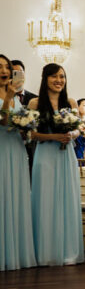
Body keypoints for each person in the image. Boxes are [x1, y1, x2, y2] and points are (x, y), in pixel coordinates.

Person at [28, 63, 84, 266]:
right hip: (45, 155)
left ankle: (67, 250)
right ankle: (46, 252)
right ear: (45, 79)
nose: (59, 80)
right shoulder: (35, 103)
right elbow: (30, 133)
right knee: (46, 199)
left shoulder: (70, 102)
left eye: (62, 76)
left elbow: (79, 129)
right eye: (54, 76)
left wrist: (71, 134)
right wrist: (54, 136)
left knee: (66, 198)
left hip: (66, 155)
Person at [0, 54, 36, 270]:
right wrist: (8, 98)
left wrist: (27, 129)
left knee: (15, 197)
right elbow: (3, 120)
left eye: (6, 67)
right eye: (0, 67)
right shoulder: (10, 97)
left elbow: (20, 123)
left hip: (16, 149)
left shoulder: (16, 98)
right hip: (2, 149)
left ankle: (16, 253)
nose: (4, 71)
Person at [11, 59, 37, 170]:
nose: (18, 76)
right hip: (10, 144)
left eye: (20, 73)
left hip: (32, 149)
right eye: (14, 73)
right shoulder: (3, 98)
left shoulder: (35, 98)